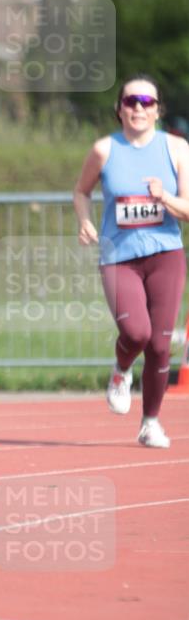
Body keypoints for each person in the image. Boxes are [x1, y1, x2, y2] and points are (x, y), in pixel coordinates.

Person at [73, 75, 189, 448]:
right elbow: (81, 191)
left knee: (159, 344)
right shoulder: (105, 149)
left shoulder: (177, 149)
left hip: (165, 255)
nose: (138, 107)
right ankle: (121, 369)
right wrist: (85, 220)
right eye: (130, 101)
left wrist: (165, 199)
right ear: (120, 109)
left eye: (146, 101)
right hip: (119, 256)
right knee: (137, 333)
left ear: (158, 110)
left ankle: (151, 422)